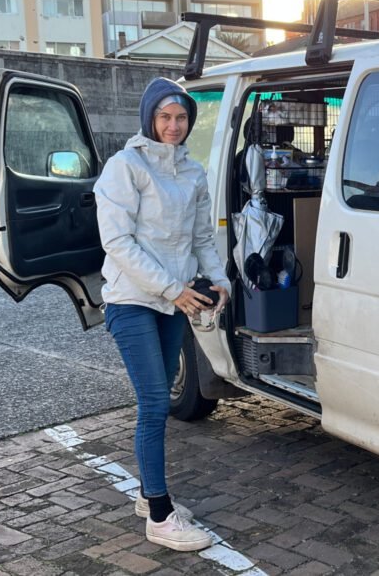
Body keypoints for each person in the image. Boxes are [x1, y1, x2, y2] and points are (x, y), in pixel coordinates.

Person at [93, 77, 231, 551]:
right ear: (149, 118)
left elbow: (201, 238)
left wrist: (220, 280)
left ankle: (148, 494)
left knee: (158, 398)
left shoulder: (192, 171)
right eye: (164, 117)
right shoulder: (124, 167)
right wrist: (173, 289)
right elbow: (118, 242)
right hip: (133, 300)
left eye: (182, 117)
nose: (174, 126)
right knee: (154, 403)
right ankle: (158, 515)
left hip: (177, 301)